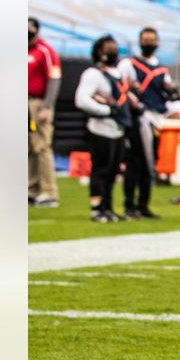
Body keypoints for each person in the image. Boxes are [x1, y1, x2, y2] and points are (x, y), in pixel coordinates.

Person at [74, 35, 131, 223]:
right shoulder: (93, 74)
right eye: (108, 48)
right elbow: (82, 99)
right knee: (101, 170)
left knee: (113, 171)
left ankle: (108, 206)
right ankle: (96, 208)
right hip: (101, 129)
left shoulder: (118, 75)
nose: (113, 51)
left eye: (114, 47)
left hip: (118, 129)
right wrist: (105, 110)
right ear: (99, 52)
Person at [118, 27, 174, 219]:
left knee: (150, 163)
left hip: (157, 116)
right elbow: (121, 87)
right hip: (139, 116)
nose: (149, 43)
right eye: (146, 39)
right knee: (136, 162)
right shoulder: (130, 63)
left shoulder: (161, 68)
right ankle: (129, 205)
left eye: (152, 40)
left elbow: (166, 90)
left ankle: (143, 204)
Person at [28, 18, 62, 208]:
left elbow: (54, 78)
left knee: (42, 146)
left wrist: (47, 106)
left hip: (38, 103)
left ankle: (49, 191)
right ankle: (31, 189)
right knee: (28, 147)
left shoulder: (45, 50)